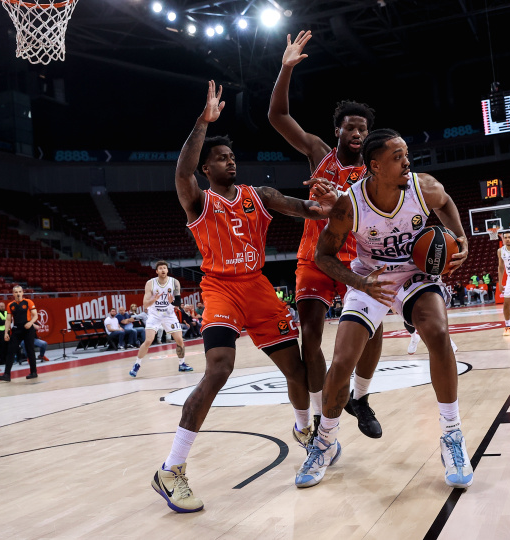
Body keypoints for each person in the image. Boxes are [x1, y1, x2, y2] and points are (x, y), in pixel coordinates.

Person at [150, 81, 338, 513]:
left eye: (232, 156)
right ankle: (171, 468)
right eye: (221, 157)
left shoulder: (261, 197)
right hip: (220, 288)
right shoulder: (199, 200)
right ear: (207, 168)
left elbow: (307, 209)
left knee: (298, 369)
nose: (230, 161)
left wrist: (336, 203)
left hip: (257, 287)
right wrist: (203, 122)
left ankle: (303, 429)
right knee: (220, 369)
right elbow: (181, 173)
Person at [299, 128, 473, 490]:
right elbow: (323, 256)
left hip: (414, 273)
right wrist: (360, 283)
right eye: (398, 156)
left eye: (406, 153)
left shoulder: (423, 187)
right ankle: (325, 442)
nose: (407, 161)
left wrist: (461, 239)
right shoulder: (351, 204)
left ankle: (452, 437)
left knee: (439, 334)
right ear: (375, 166)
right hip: (371, 278)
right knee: (342, 361)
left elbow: (447, 203)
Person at [268, 30, 386, 439]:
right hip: (315, 255)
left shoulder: (377, 170)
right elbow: (278, 118)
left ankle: (362, 397)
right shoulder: (319, 152)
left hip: (358, 258)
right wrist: (285, 70)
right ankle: (320, 417)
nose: (357, 133)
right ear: (338, 131)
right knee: (310, 338)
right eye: (351, 128)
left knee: (374, 330)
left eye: (363, 129)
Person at [129, 261, 192, 377]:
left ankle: (182, 364)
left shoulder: (174, 282)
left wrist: (171, 302)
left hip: (169, 315)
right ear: (156, 271)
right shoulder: (150, 283)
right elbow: (145, 305)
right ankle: (137, 364)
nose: (163, 270)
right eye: (160, 268)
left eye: (165, 268)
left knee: (180, 340)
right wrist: (154, 299)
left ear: (167, 270)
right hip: (154, 315)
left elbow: (178, 302)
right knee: (148, 340)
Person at [0, 285, 39, 381]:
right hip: (17, 329)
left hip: (28, 329)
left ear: (22, 293)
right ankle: (7, 375)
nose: (18, 294)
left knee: (30, 350)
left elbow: (35, 315)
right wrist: (6, 333)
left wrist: (30, 323)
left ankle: (34, 372)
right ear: (13, 294)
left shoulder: (28, 302)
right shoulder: (10, 305)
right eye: (16, 292)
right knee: (11, 351)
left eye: (19, 292)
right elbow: (8, 320)